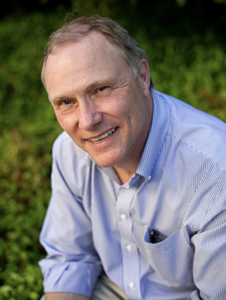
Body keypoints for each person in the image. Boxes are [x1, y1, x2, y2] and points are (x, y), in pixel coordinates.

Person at [39, 15, 226, 300]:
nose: (87, 121)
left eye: (101, 89)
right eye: (67, 102)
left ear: (142, 76)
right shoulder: (69, 151)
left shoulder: (214, 171)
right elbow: (70, 259)